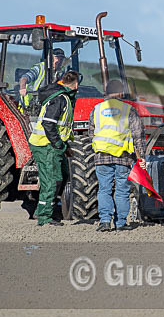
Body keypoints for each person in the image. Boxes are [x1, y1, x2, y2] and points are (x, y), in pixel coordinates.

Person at [90, 79, 148, 232]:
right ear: (121, 92)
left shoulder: (96, 109)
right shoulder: (128, 110)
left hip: (101, 157)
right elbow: (138, 136)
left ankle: (104, 221)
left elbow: (91, 133)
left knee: (104, 189)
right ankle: (121, 223)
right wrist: (141, 157)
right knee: (122, 190)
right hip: (123, 158)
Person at [27, 70, 79, 226]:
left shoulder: (63, 98)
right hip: (46, 145)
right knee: (52, 180)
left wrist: (65, 146)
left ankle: (41, 210)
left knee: (61, 175)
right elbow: (48, 124)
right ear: (76, 84)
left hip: (53, 144)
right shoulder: (60, 99)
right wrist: (57, 144)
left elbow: (62, 128)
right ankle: (44, 217)